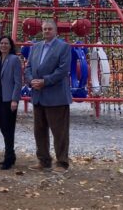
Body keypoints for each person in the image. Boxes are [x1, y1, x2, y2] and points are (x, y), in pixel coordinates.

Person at [24, 19, 72, 172]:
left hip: (56, 96)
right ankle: (44, 161)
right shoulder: (36, 47)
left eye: (50, 29)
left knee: (59, 132)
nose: (46, 31)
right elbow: (28, 67)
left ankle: (62, 163)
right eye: (44, 29)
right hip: (38, 95)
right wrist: (32, 80)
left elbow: (63, 70)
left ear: (56, 31)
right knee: (39, 131)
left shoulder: (63, 47)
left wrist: (45, 81)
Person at [0, 35, 22, 170]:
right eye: (1, 43)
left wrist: (15, 99)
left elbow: (18, 81)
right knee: (3, 127)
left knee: (8, 128)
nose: (3, 45)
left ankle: (8, 157)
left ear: (10, 45)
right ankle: (11, 155)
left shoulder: (14, 60)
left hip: (9, 100)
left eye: (6, 43)